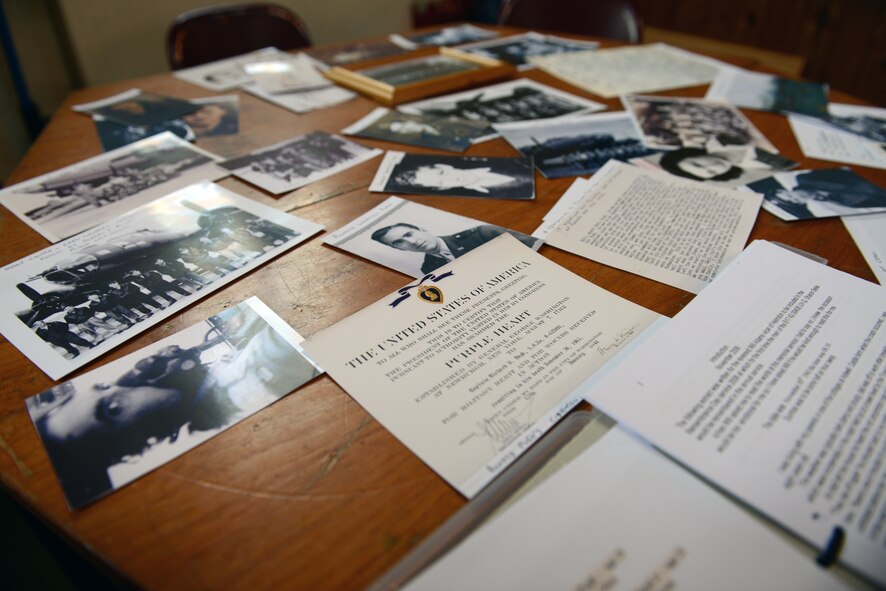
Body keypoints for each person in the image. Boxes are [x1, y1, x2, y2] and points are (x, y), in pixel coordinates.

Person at [28, 305, 320, 508]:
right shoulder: (256, 370)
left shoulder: (217, 377)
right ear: (137, 444)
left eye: (104, 386)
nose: (125, 380)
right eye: (114, 408)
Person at [371, 222, 537, 273]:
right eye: (399, 242)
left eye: (409, 234)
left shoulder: (482, 233)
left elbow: (538, 249)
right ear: (399, 249)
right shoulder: (429, 270)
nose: (412, 242)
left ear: (423, 229)